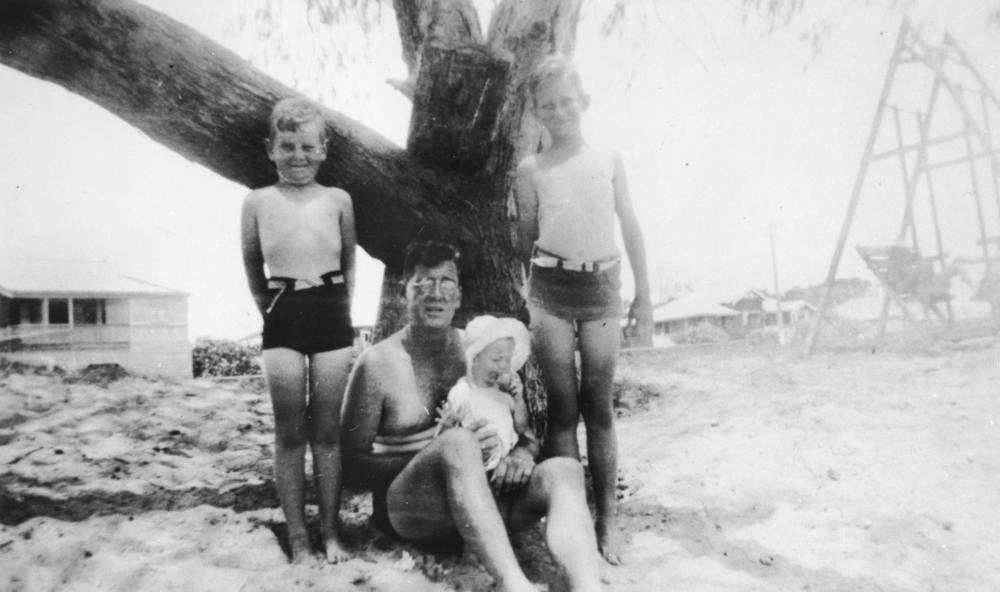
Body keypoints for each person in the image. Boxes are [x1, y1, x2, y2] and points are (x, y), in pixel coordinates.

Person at [340, 241, 603, 592]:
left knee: (565, 470)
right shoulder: (376, 364)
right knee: (460, 442)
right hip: (415, 510)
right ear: (403, 293)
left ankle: (588, 586)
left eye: (446, 283)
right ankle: (516, 584)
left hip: (485, 502)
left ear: (460, 295)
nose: (436, 294)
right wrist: (441, 452)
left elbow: (516, 424)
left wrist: (522, 452)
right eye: (423, 283)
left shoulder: (479, 349)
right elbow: (350, 463)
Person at [514, 54, 654, 565]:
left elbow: (632, 228)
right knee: (561, 409)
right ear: (535, 111)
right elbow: (525, 238)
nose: (558, 111)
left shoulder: (609, 159)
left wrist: (644, 296)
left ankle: (607, 519)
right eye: (547, 105)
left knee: (598, 407)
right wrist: (529, 294)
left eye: (566, 102)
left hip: (602, 289)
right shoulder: (531, 169)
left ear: (584, 103)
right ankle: (571, 519)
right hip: (550, 290)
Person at [240, 97, 356, 564]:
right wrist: (269, 309)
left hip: (330, 310)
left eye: (308, 146)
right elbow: (251, 263)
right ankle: (299, 537)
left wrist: (340, 308)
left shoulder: (338, 200)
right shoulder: (257, 201)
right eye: (287, 146)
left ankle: (330, 532)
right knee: (290, 433)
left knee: (326, 433)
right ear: (270, 149)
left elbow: (348, 261)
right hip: (283, 312)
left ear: (324, 149)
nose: (298, 156)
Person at [437, 314, 532, 473]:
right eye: (496, 360)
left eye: (507, 360)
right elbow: (445, 440)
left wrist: (519, 399)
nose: (503, 366)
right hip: (472, 466)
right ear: (475, 358)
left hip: (505, 465)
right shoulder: (463, 392)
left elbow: (521, 428)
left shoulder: (504, 396)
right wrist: (447, 427)